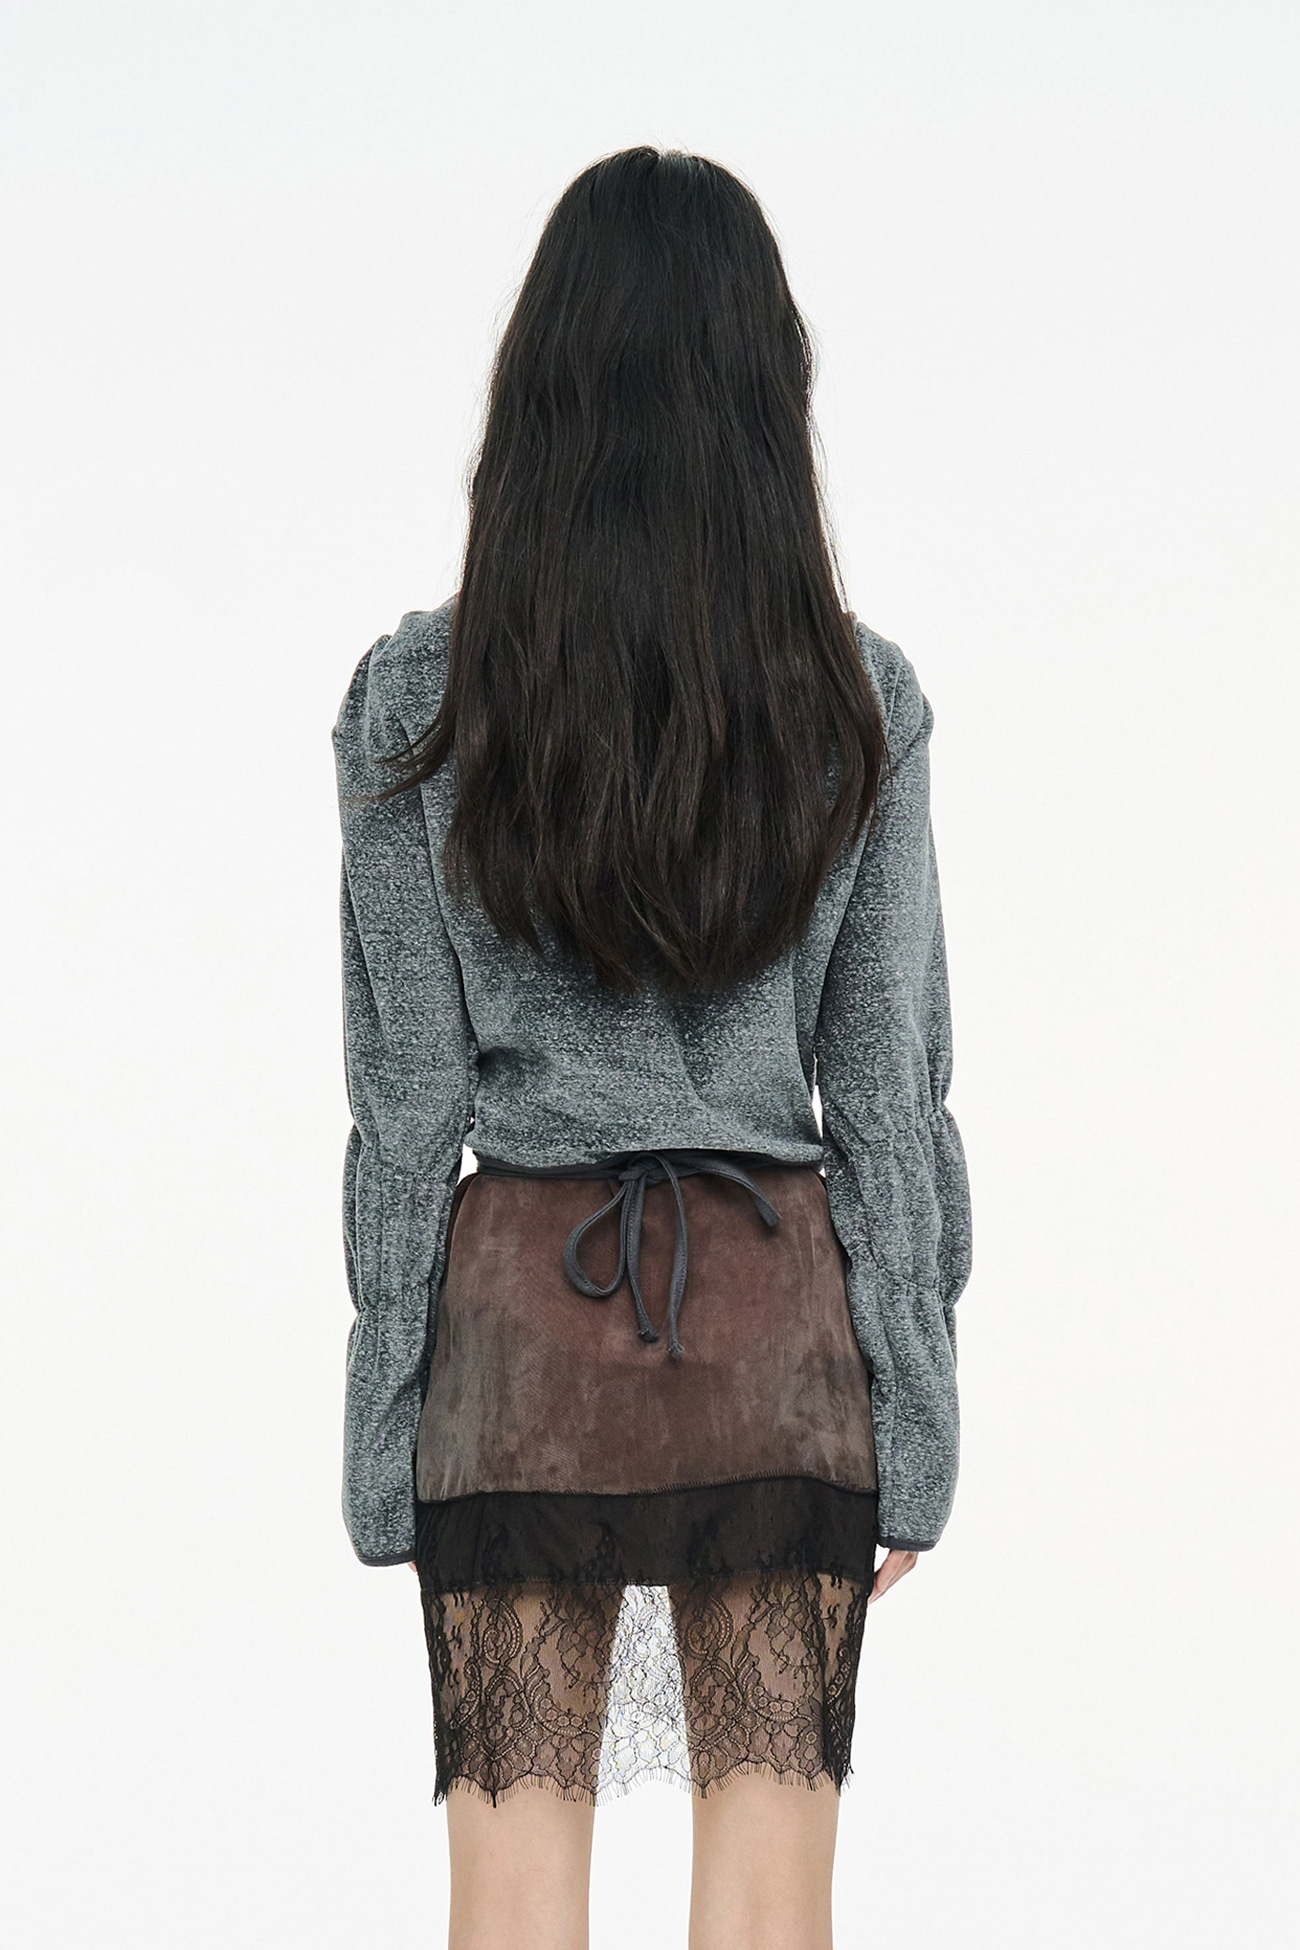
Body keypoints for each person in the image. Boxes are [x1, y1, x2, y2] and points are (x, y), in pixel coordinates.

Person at [332, 145, 972, 1950]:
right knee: (771, 1912)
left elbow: (405, 1108)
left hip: (517, 1347)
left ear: (534, 396)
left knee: (510, 1909)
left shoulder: (417, 701)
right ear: (772, 401)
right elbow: (889, 1099)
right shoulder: (854, 699)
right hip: (777, 1347)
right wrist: (916, 1425)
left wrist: (383, 1433)